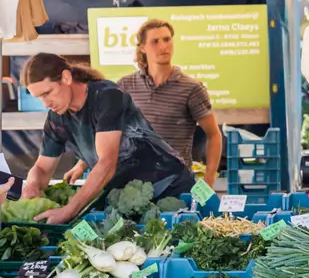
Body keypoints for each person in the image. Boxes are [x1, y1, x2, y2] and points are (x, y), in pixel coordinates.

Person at [20, 53, 196, 223]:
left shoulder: (108, 96)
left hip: (170, 186)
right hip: (127, 198)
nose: (45, 103)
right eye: (39, 98)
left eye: (47, 93)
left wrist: (68, 211)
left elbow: (106, 163)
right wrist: (32, 185)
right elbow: (42, 168)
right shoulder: (56, 118)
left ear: (66, 78)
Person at [64, 18, 222, 190]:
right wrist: (81, 165)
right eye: (155, 41)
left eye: (167, 39)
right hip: (130, 183)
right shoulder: (125, 85)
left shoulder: (192, 89)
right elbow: (106, 132)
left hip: (175, 183)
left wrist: (209, 179)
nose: (163, 46)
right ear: (142, 47)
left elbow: (214, 135)